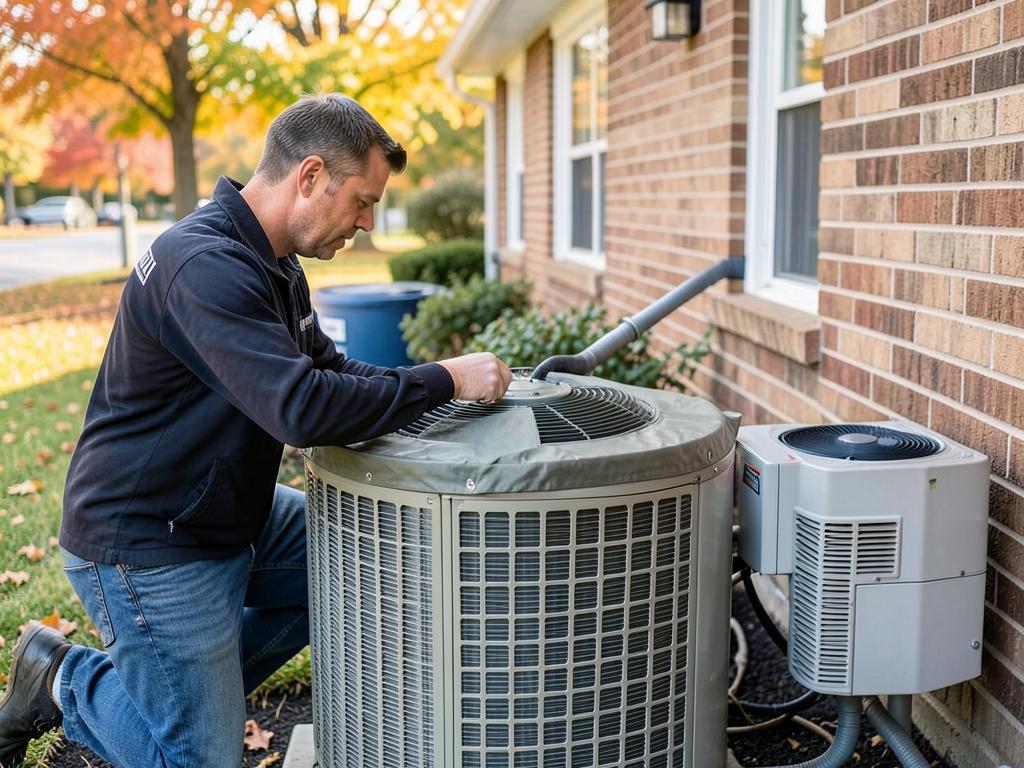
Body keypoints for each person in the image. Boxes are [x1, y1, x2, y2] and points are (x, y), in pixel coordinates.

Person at [0, 93, 512, 768]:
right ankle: (66, 680)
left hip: (227, 514)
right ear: (307, 177)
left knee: (364, 564)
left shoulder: (277, 264)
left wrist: (431, 399)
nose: (366, 221)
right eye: (361, 201)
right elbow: (301, 408)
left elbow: (329, 370)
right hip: (150, 540)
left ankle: (177, 692)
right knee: (195, 759)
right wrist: (443, 378)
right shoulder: (203, 264)